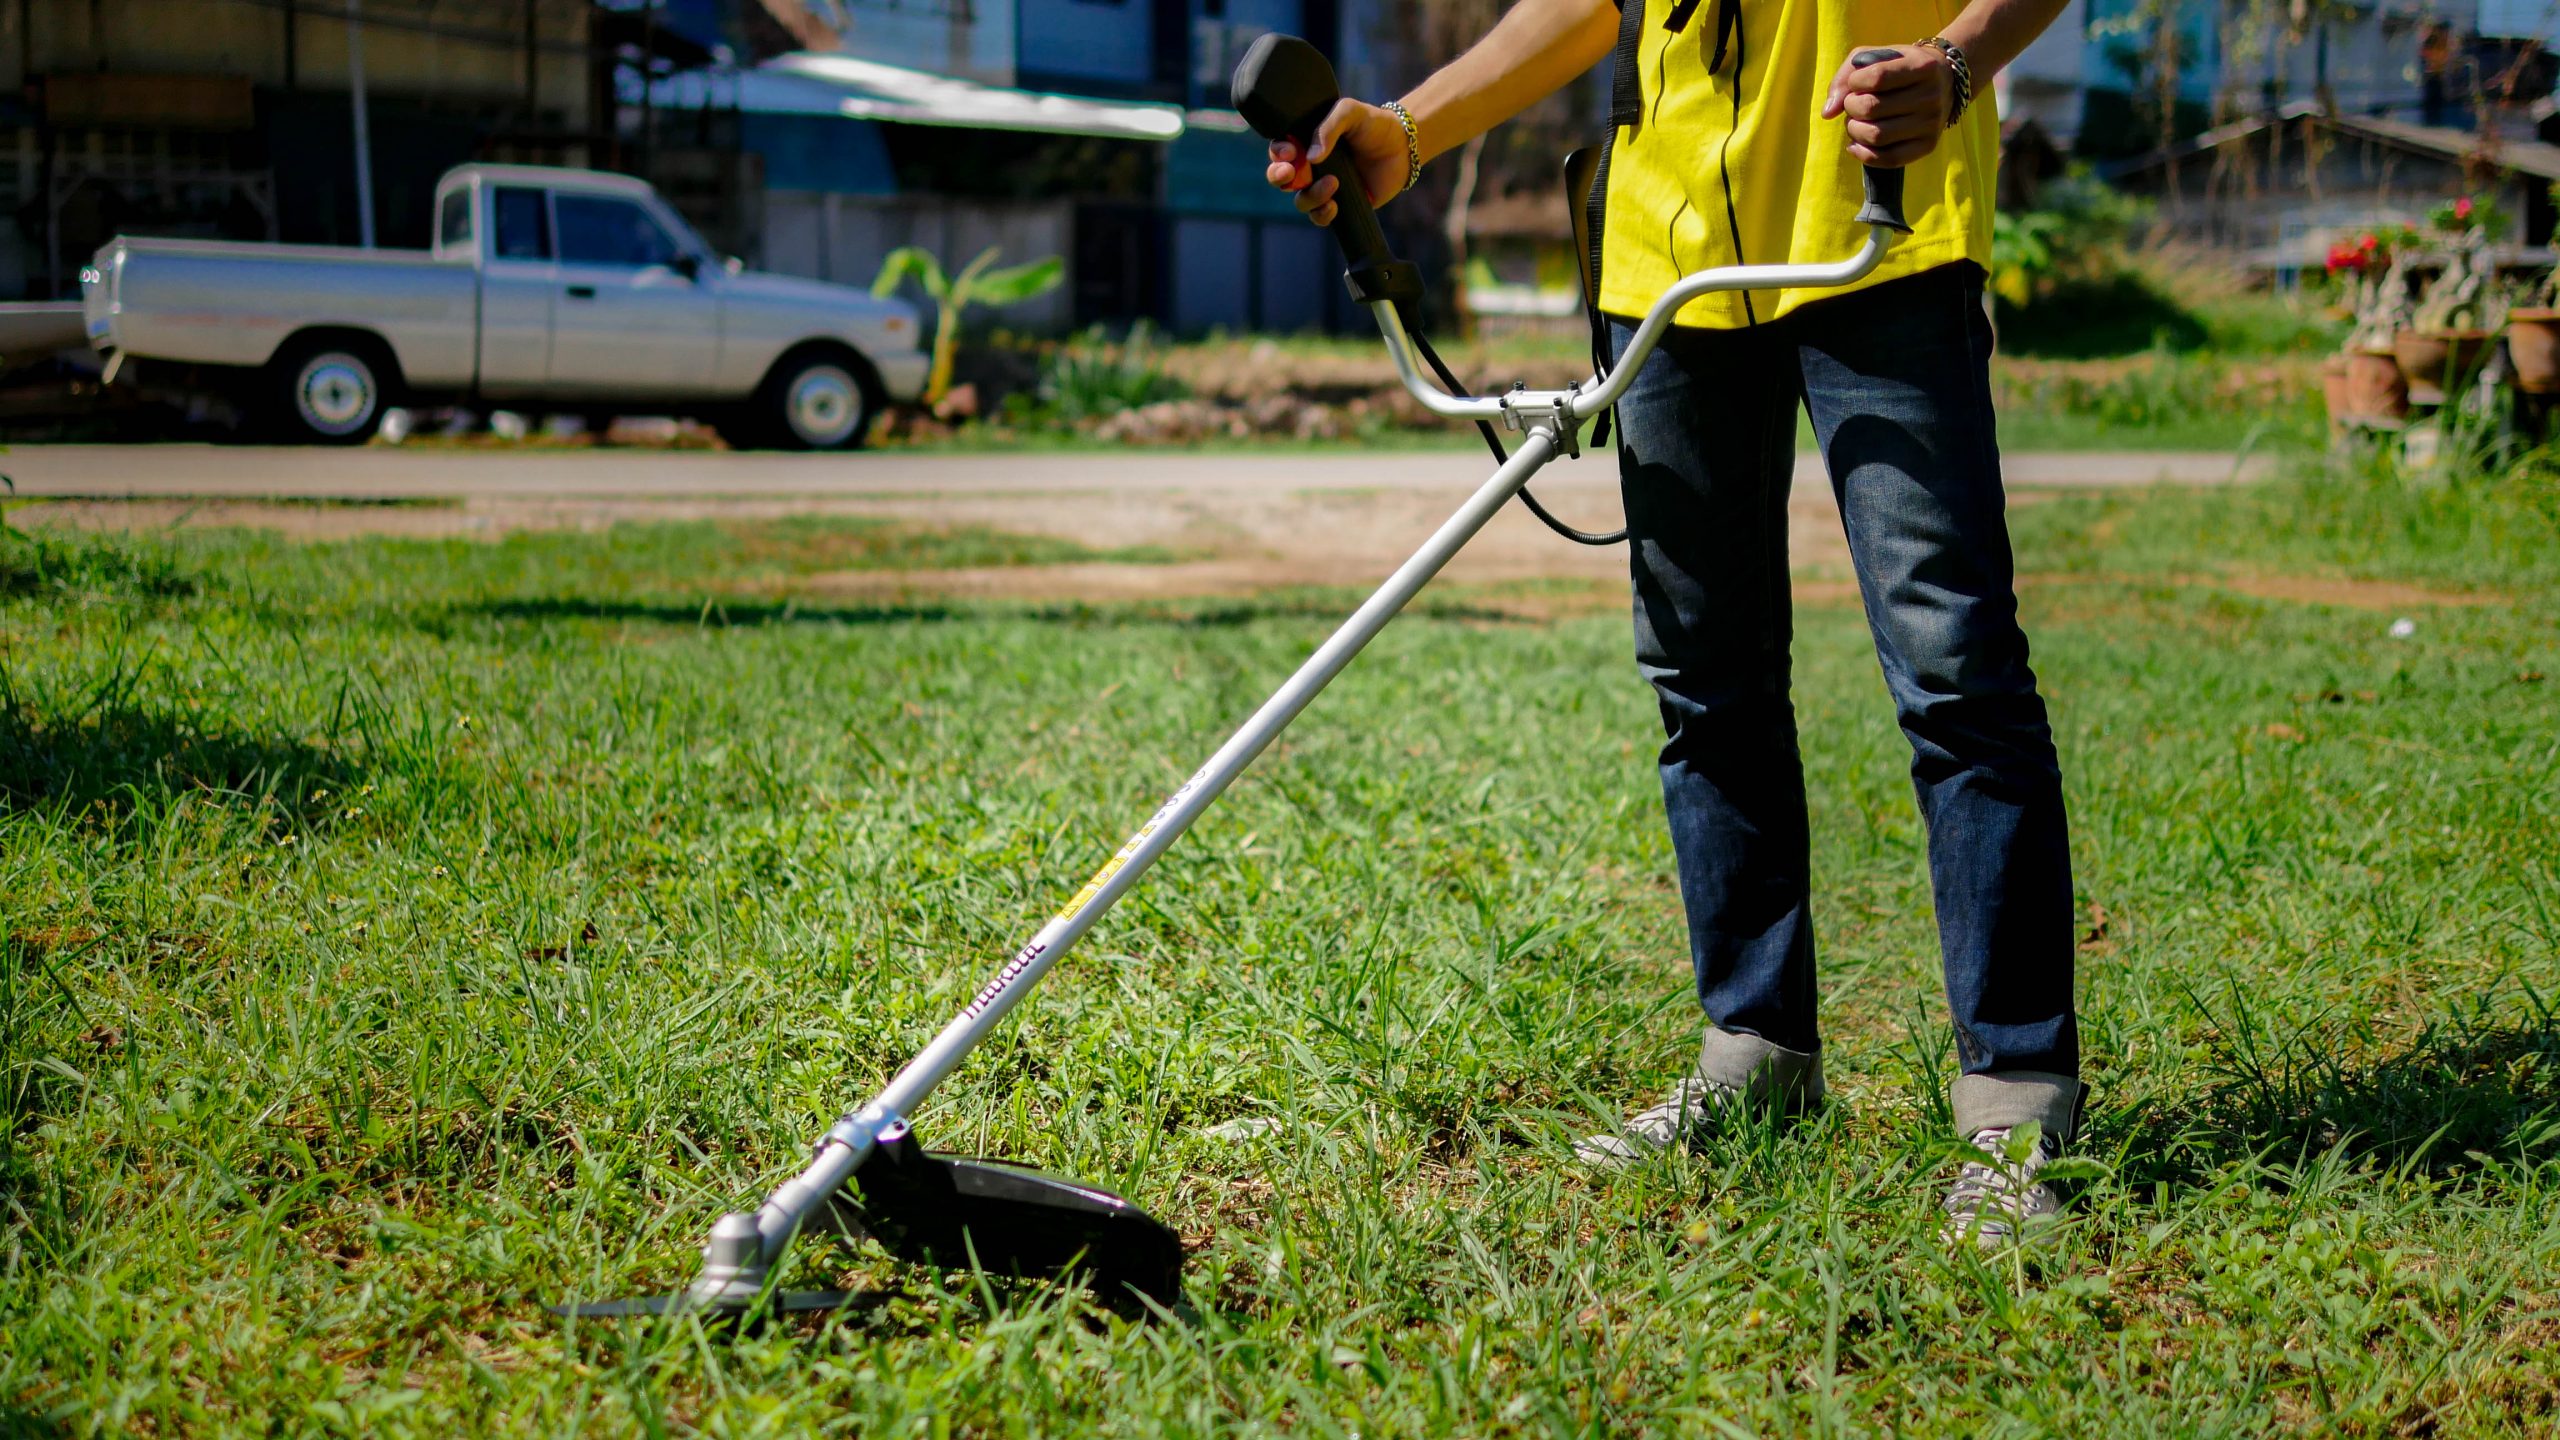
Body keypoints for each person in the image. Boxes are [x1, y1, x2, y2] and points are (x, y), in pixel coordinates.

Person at [1264, 0, 2086, 1247]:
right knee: (1705, 679)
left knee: (1954, 669)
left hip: (1881, 234)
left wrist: (1960, 63)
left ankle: (2016, 1094)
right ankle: (1757, 1051)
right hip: (1667, 264)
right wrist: (1406, 129)